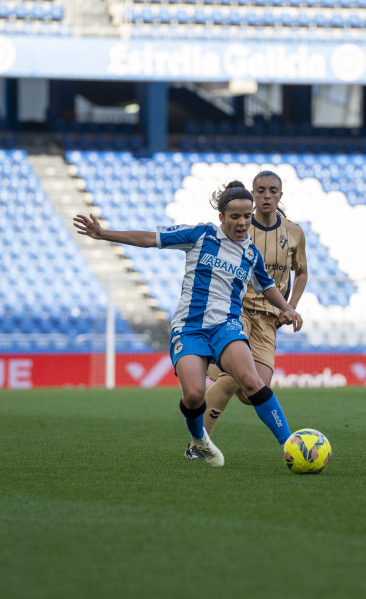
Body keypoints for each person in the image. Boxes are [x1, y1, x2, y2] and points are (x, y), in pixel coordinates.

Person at [73, 181, 303, 467]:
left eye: (247, 216)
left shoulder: (250, 253)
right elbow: (150, 238)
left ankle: (290, 445)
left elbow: (267, 285)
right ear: (222, 218)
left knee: (251, 381)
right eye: (235, 217)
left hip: (227, 327)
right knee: (193, 395)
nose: (242, 222)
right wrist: (104, 233)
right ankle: (200, 441)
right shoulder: (200, 235)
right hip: (190, 327)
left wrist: (287, 308)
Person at [185, 170, 309, 460]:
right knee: (232, 375)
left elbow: (301, 272)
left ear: (281, 195)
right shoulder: (239, 226)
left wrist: (289, 306)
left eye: (273, 191)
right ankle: (198, 445)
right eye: (261, 190)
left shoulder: (294, 232)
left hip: (269, 319)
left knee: (253, 390)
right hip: (235, 311)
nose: (267, 196)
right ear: (253, 195)